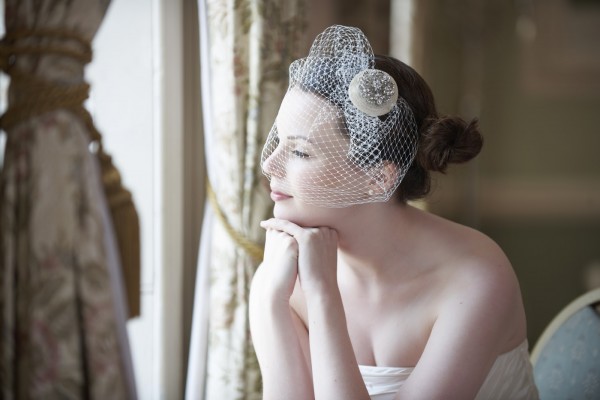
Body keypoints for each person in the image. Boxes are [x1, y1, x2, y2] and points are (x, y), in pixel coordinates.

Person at [249, 25, 539, 400]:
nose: (270, 165)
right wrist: (270, 302)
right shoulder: (279, 276)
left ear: (378, 177)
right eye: (276, 143)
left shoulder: (475, 279)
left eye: (300, 151)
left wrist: (323, 295)